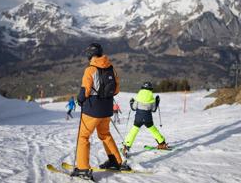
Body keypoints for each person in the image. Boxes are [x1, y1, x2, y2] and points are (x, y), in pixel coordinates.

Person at [71, 43, 131, 180]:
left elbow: (85, 90)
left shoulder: (90, 70)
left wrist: (80, 100)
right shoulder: (111, 67)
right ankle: (116, 161)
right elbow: (116, 90)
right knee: (105, 134)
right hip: (107, 109)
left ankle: (83, 168)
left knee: (83, 137)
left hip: (92, 110)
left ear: (89, 55)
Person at [122, 81, 169, 157]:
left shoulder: (138, 96)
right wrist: (157, 102)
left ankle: (126, 146)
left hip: (138, 118)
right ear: (150, 88)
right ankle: (162, 143)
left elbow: (133, 108)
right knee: (153, 130)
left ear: (142, 87)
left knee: (133, 131)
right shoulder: (151, 97)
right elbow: (153, 110)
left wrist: (131, 102)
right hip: (148, 118)